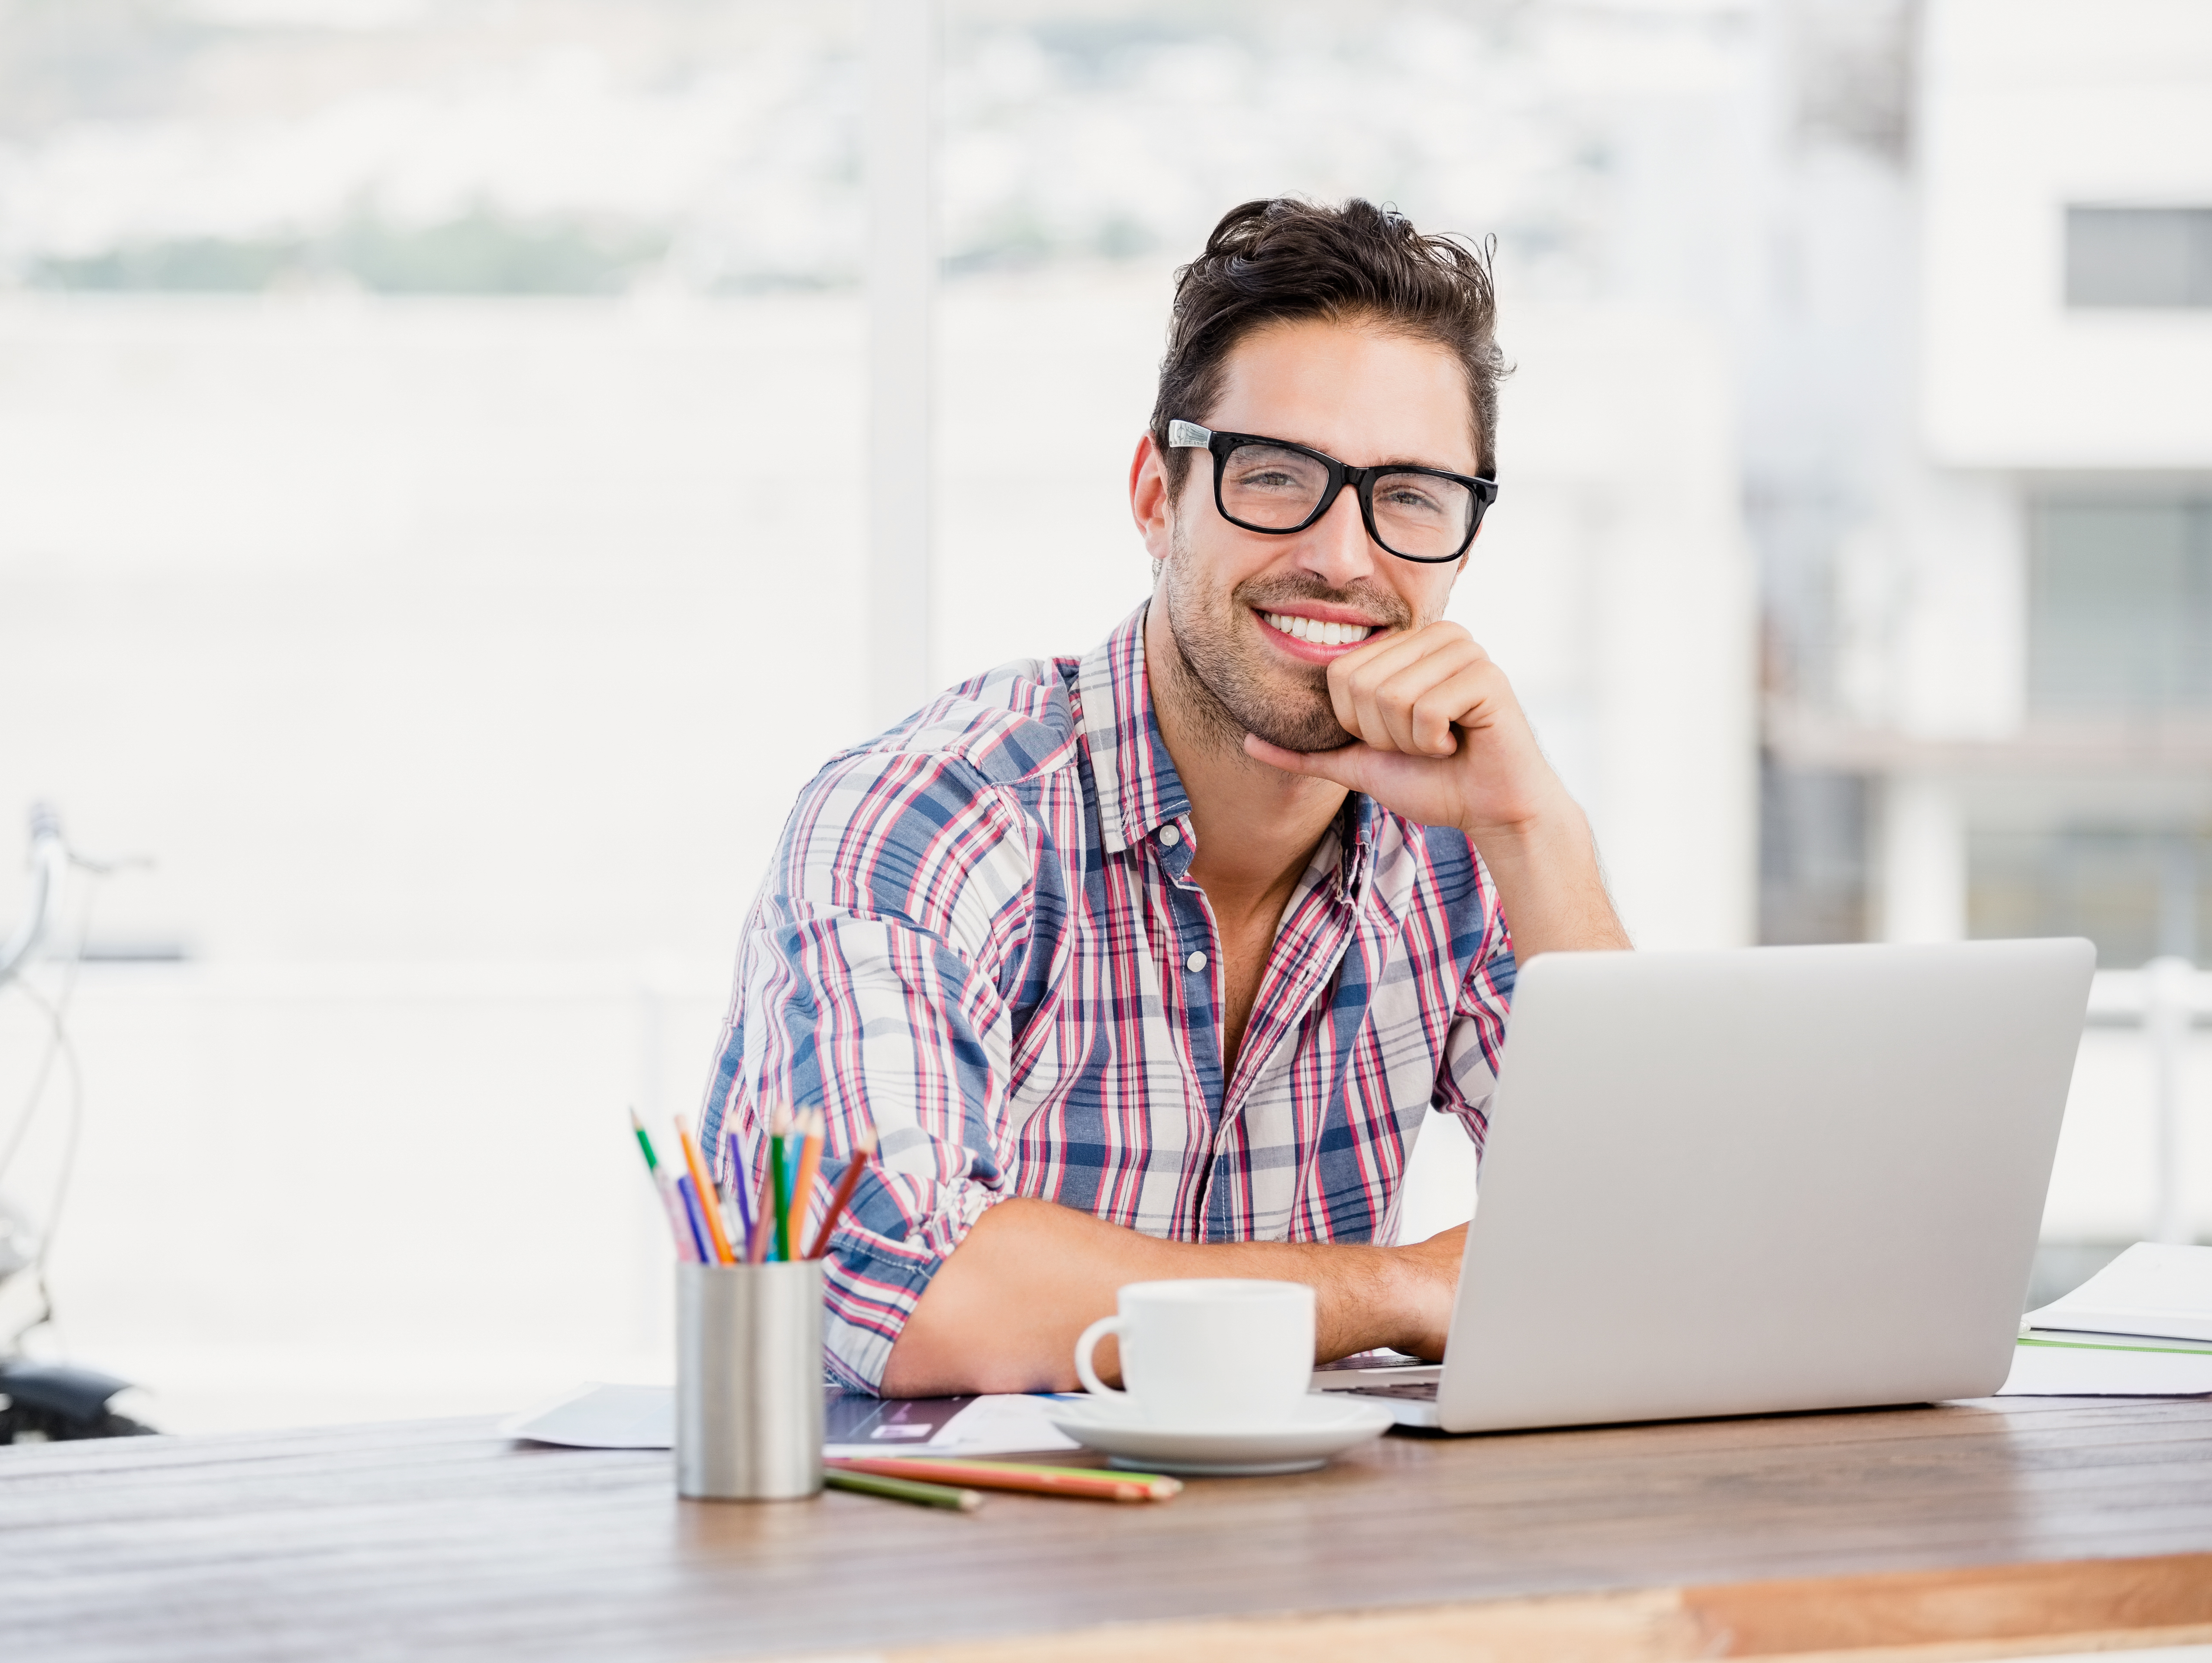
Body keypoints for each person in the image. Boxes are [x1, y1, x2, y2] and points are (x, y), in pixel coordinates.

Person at [698, 197, 1630, 1397]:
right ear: (1157, 498)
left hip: (1312, 1560)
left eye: (1407, 496)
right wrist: (1392, 1289)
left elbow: (1650, 1256)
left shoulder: (1460, 837)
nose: (1344, 558)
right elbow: (913, 1293)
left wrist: (1532, 829)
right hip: (947, 1562)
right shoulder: (929, 820)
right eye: (1277, 476)